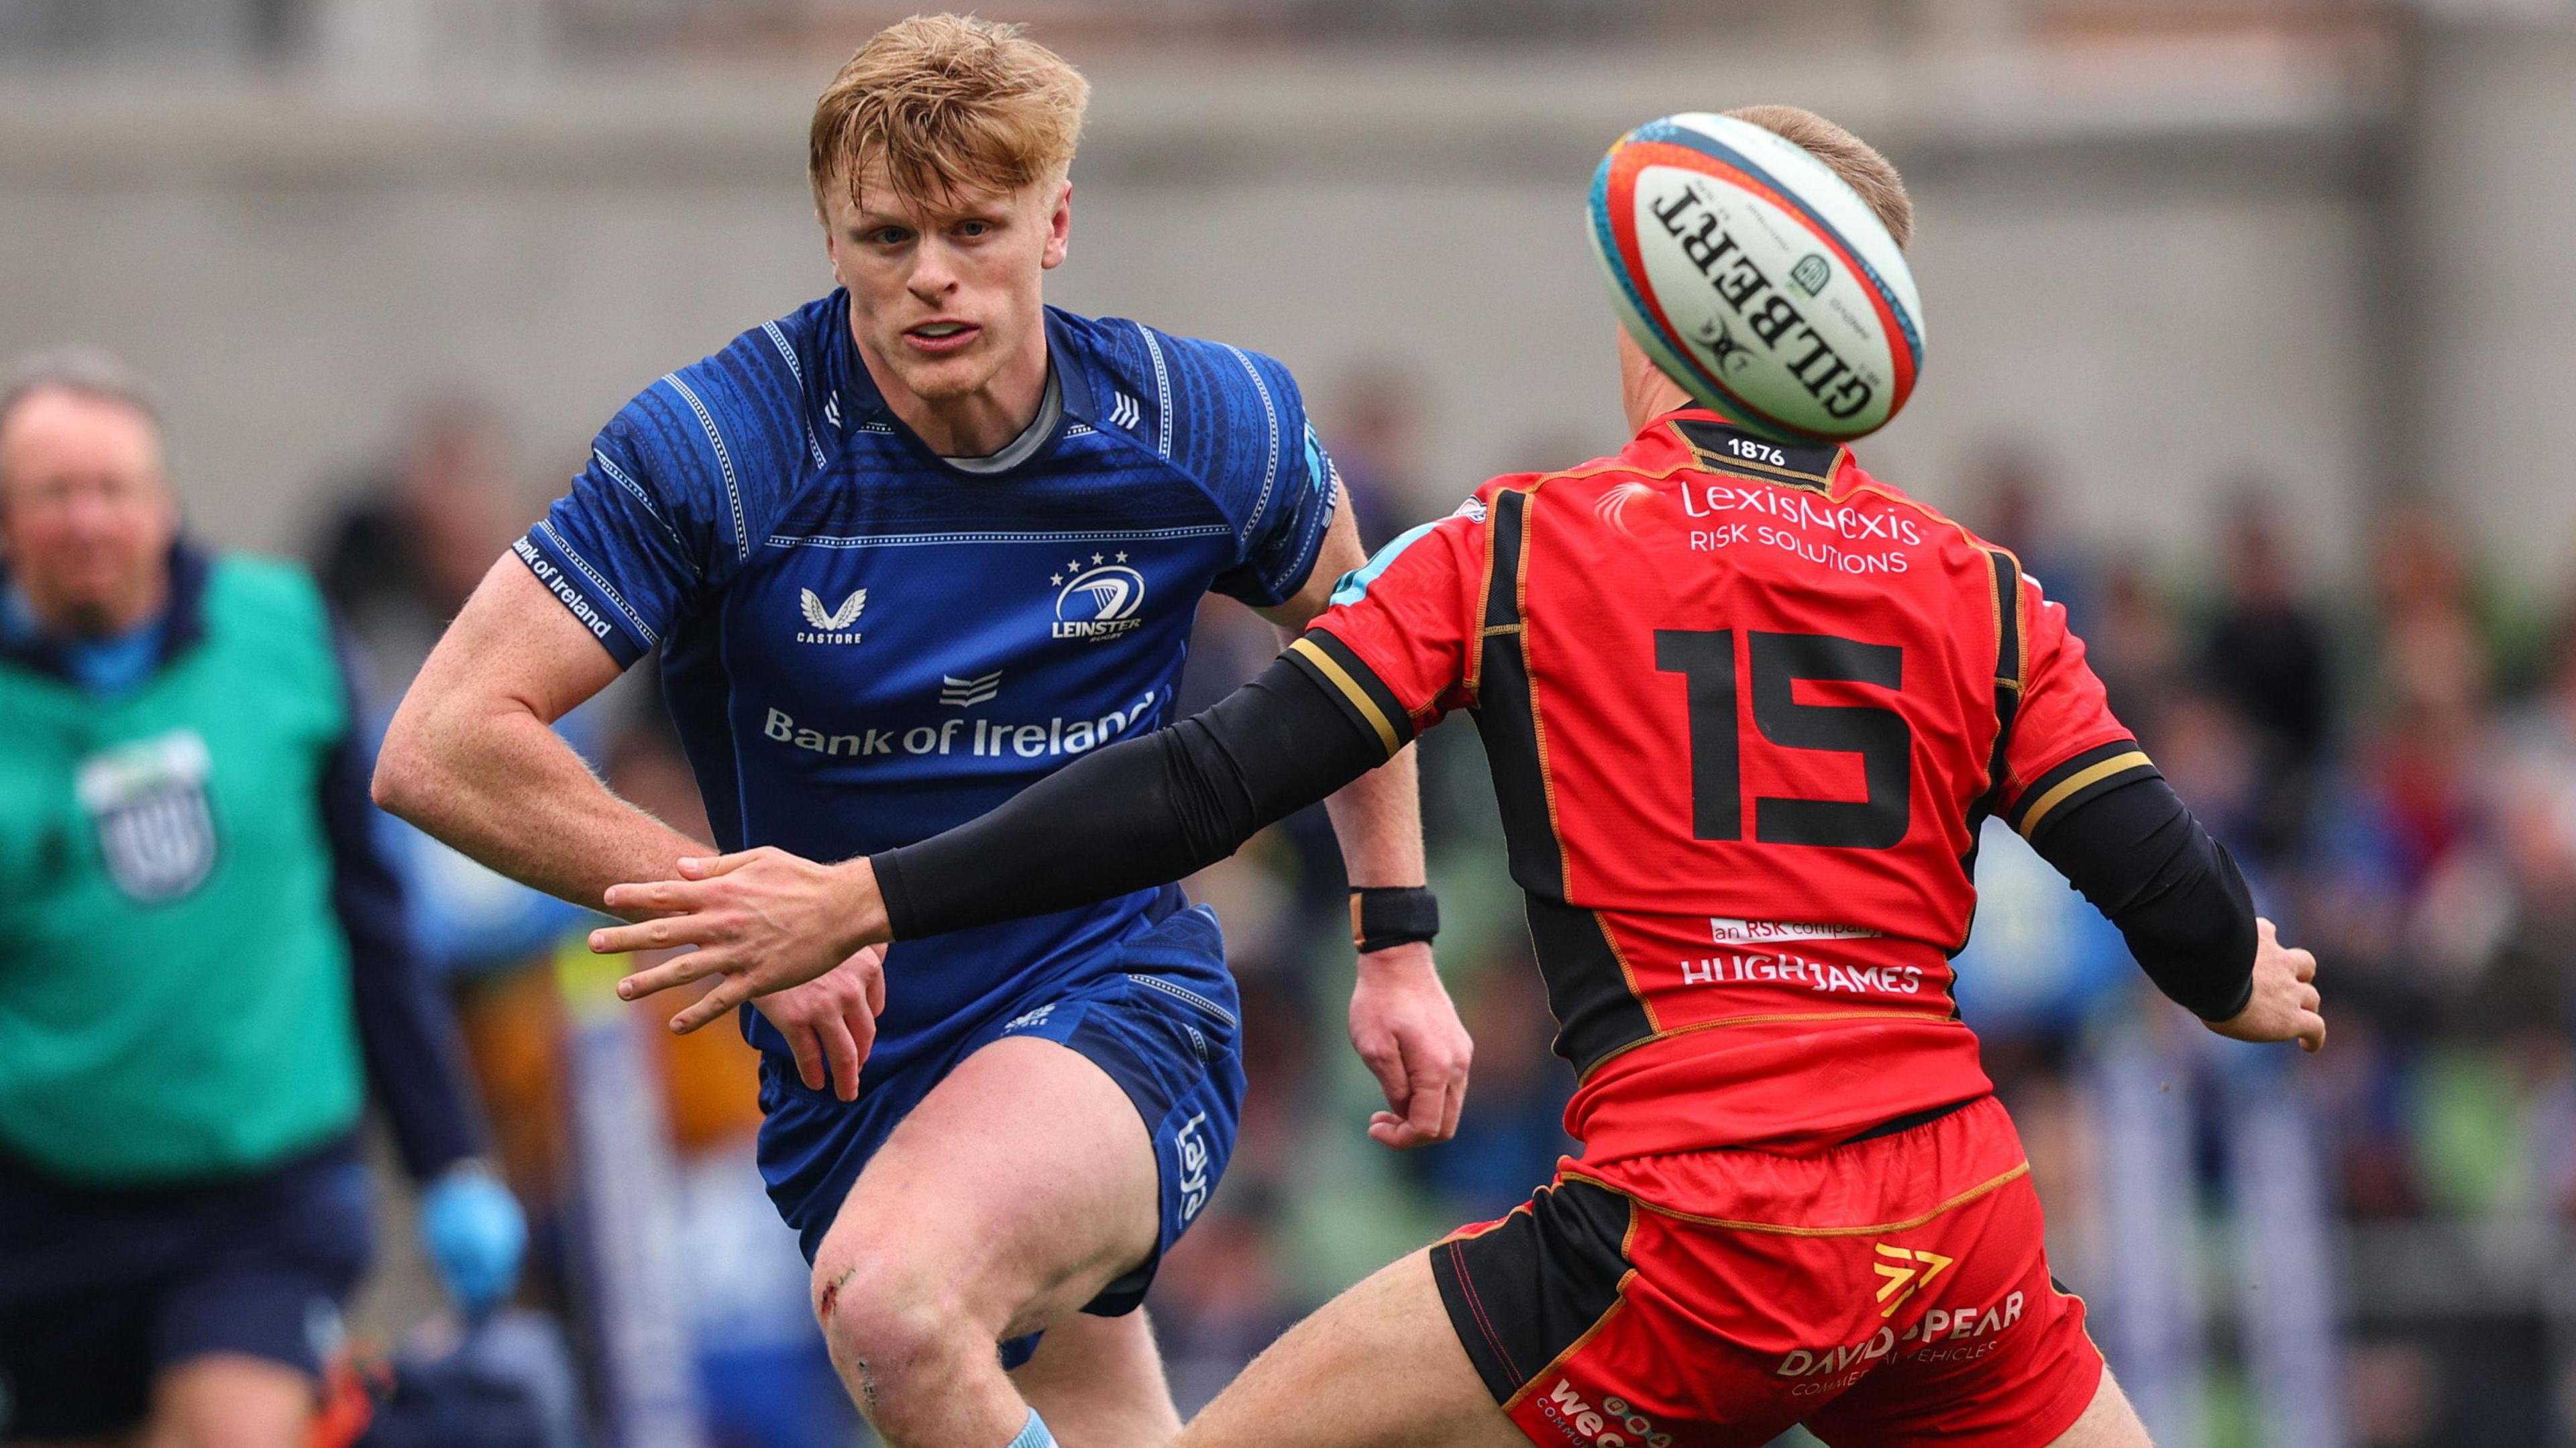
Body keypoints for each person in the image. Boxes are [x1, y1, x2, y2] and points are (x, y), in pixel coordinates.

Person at [604, 107, 2329, 1448]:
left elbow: (1205, 786)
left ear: (1657, 292)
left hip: (1693, 1237)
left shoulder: (1518, 549)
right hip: (1953, 1227)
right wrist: (2244, 976)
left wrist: (870, 892)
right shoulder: (1984, 588)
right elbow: (2163, 885)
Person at [368, 16, 1468, 1448]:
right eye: (887, 237)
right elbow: (440, 742)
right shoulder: (722, 447)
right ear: (831, 237)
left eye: (974, 228)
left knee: (894, 1302)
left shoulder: (1207, 420)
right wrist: (736, 916)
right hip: (852, 1072)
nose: (932, 277)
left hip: (1116, 998)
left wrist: (1396, 940)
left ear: (1056, 221)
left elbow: (1364, 638)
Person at [0, 351, 525, 1448]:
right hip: (47, 1190)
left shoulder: (280, 632)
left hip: (264, 1184)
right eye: (54, 495)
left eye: (114, 488)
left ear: (166, 502)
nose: (89, 519)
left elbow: (372, 914)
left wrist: (449, 1163)